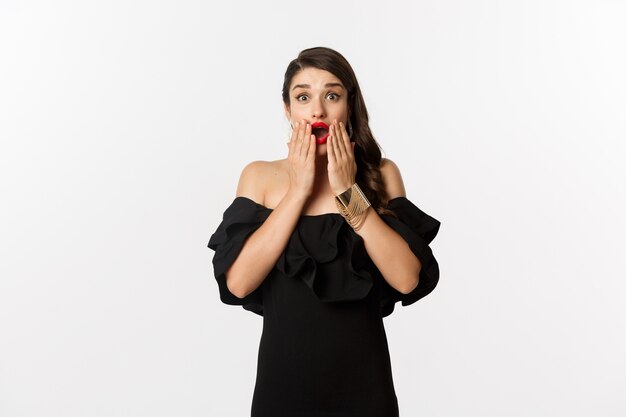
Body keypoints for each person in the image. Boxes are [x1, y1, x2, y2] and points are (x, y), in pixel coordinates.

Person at [208, 46, 441, 417]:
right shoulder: (259, 176)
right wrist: (298, 190)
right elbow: (238, 284)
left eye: (332, 96)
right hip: (283, 387)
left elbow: (407, 279)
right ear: (288, 109)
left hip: (365, 388)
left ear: (349, 106)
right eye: (303, 97)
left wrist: (348, 193)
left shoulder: (381, 174)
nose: (317, 110)